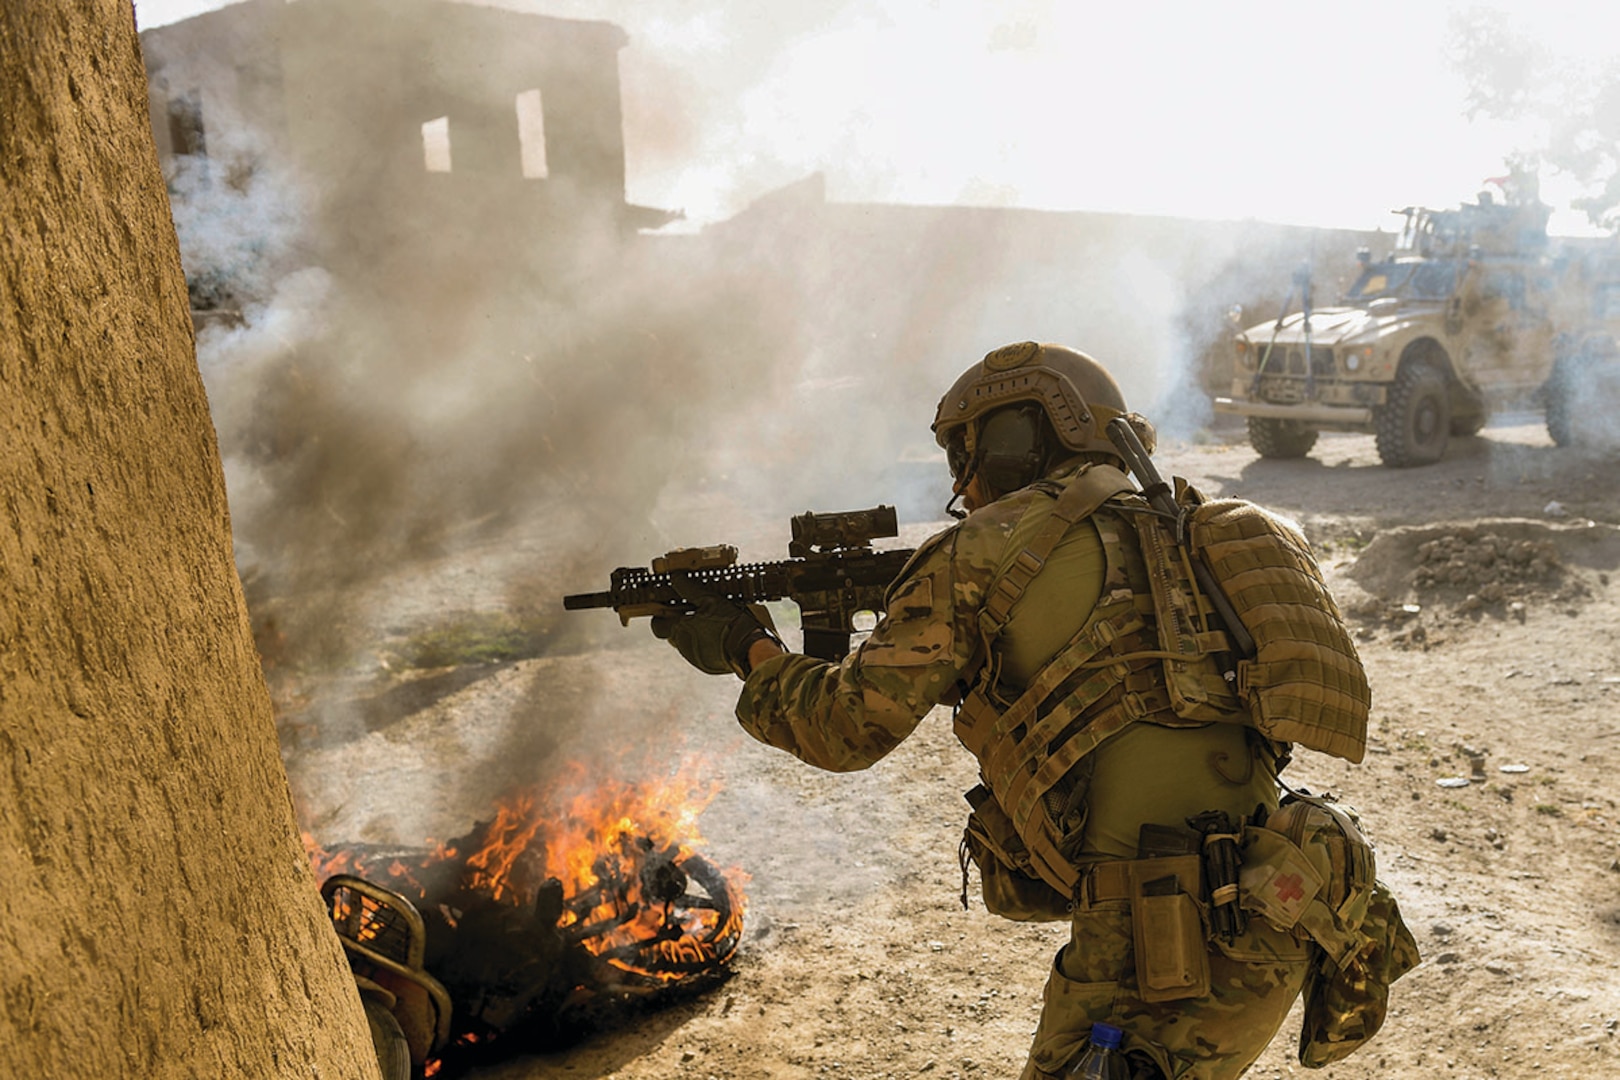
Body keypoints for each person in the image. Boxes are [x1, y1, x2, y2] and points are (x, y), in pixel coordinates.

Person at [649, 341, 1413, 1079]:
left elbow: (844, 730)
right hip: (1275, 910)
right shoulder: (1196, 532)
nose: (965, 481)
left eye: (970, 450)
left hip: (1156, 950)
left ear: (1020, 436)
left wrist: (748, 644)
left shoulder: (982, 550)